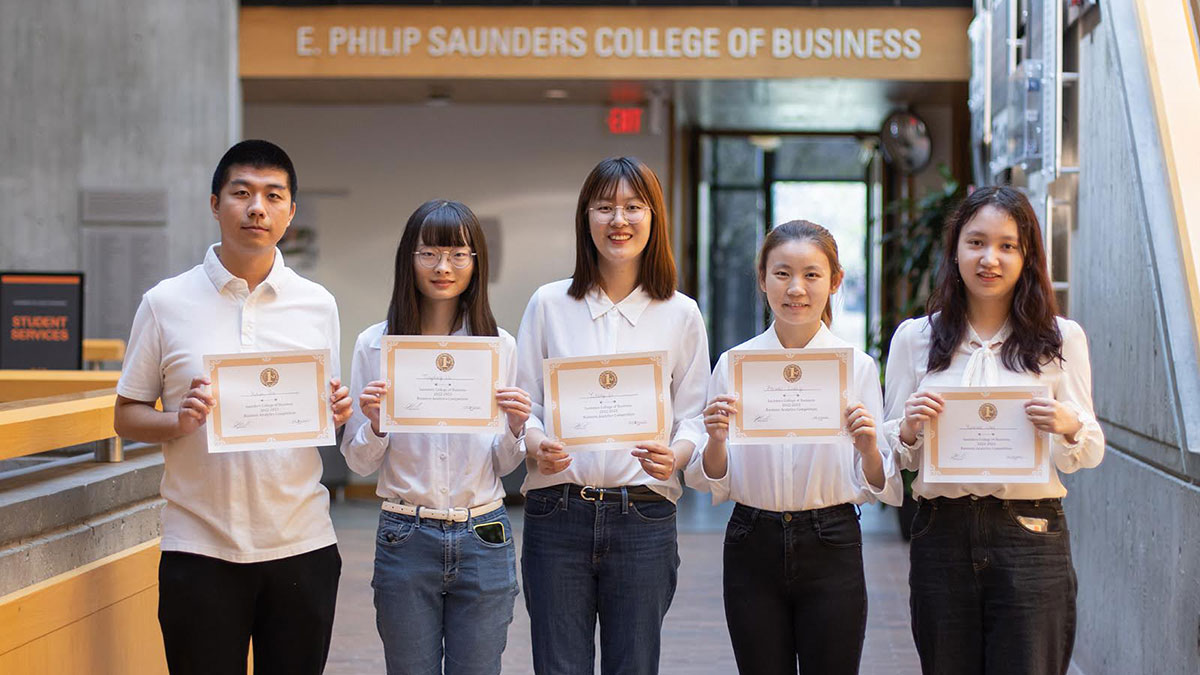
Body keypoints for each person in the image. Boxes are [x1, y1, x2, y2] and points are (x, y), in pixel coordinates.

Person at [113, 139, 352, 675]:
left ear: (291, 211)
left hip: (302, 545)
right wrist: (178, 420)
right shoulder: (165, 302)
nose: (256, 208)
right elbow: (126, 413)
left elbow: (322, 404)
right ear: (215, 203)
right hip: (199, 548)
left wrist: (335, 409)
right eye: (241, 192)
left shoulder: (318, 303)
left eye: (273, 195)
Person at [882, 186, 1104, 675]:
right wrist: (911, 428)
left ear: (1028, 256)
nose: (990, 259)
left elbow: (1087, 451)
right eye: (976, 242)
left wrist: (1068, 425)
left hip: (1030, 532)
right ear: (956, 250)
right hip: (943, 532)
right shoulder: (915, 339)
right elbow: (894, 456)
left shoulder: (1060, 338)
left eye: (1008, 245)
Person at [515, 157, 710, 674]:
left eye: (632, 207)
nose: (618, 220)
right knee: (558, 666)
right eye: (604, 208)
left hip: (643, 515)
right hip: (557, 512)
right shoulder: (548, 304)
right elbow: (523, 405)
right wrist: (535, 444)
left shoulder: (681, 312)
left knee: (635, 665)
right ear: (586, 219)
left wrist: (678, 455)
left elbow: (694, 414)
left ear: (654, 218)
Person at [686, 220, 902, 674]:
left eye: (811, 274)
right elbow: (712, 478)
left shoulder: (857, 367)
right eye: (782, 273)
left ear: (835, 281)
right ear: (762, 278)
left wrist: (867, 447)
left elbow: (882, 484)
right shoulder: (734, 365)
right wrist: (717, 441)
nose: (796, 289)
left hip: (832, 539)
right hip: (751, 539)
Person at [341, 199, 531, 675]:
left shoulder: (499, 347)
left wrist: (515, 428)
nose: (443, 267)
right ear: (410, 258)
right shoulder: (375, 344)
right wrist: (378, 424)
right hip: (406, 532)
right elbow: (358, 463)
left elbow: (505, 465)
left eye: (458, 254)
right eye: (429, 253)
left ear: (475, 263)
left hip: (484, 532)